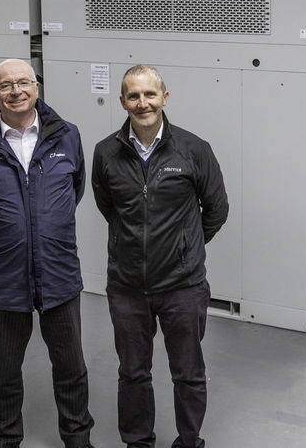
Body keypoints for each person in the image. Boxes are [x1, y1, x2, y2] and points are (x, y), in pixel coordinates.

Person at [0, 58, 95, 448]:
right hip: (3, 278)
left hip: (59, 271)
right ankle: (5, 439)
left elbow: (75, 188)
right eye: (5, 86)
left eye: (23, 83)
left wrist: (46, 231)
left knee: (70, 366)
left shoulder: (68, 136)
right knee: (3, 368)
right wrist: (5, 238)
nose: (15, 91)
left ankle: (77, 438)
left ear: (36, 88)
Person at [91, 65, 229, 448]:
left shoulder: (194, 150)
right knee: (133, 372)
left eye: (150, 94)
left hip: (182, 286)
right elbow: (108, 207)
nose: (142, 103)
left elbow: (216, 208)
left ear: (164, 98)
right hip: (127, 286)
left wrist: (184, 246)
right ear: (122, 102)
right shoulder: (106, 153)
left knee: (188, 372)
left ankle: (189, 440)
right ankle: (138, 442)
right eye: (133, 96)